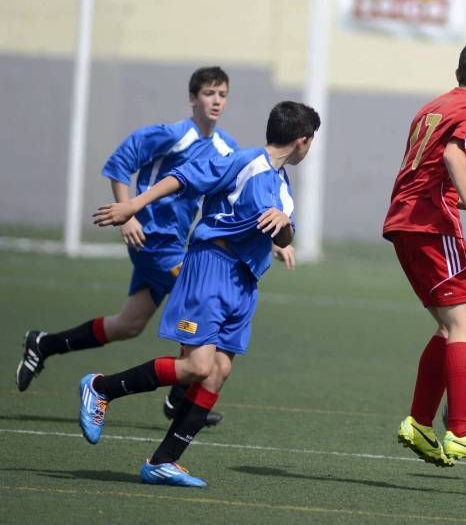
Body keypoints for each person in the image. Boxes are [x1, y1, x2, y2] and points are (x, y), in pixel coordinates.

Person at [83, 100, 320, 487]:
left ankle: (163, 461)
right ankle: (101, 388)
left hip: (244, 282)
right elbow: (184, 176)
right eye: (311, 142)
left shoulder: (282, 185)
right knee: (196, 366)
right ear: (301, 141)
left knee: (218, 372)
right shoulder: (243, 161)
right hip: (211, 268)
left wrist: (284, 230)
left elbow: (283, 229)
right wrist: (134, 205)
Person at [16, 66, 248, 426]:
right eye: (209, 93)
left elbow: (235, 189)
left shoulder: (226, 147)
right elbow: (121, 162)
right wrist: (129, 215)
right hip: (152, 241)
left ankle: (44, 344)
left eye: (222, 94)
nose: (216, 100)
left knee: (128, 324)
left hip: (176, 244)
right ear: (192, 99)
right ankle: (179, 397)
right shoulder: (171, 135)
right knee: (202, 296)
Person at [383, 39, 466, 466]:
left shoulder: (431, 108)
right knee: (465, 322)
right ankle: (461, 429)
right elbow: (456, 154)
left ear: (458, 73)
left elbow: (425, 176)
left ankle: (420, 423)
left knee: (448, 327)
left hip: (405, 222)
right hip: (431, 228)